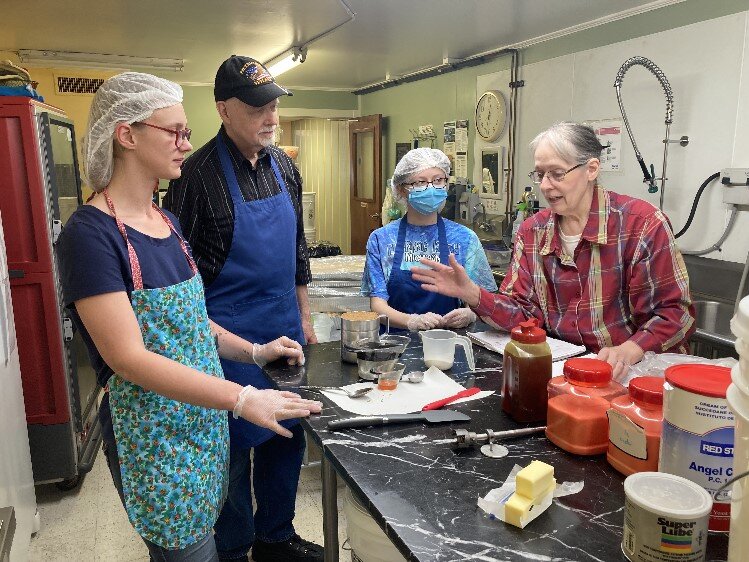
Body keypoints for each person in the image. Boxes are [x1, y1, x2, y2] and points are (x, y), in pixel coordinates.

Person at [58, 72, 321, 561]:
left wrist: (254, 352)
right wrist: (242, 397)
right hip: (157, 439)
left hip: (201, 425)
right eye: (175, 132)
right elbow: (130, 359)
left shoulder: (166, 222)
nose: (185, 143)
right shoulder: (90, 236)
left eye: (186, 133)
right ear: (127, 135)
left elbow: (189, 322)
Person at [162, 56, 322, 562]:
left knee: (285, 440)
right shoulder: (195, 176)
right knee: (229, 452)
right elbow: (179, 273)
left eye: (273, 105)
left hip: (282, 330)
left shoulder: (286, 169)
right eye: (257, 108)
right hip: (222, 337)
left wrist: (304, 315)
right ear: (223, 109)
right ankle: (233, 548)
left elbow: (297, 251)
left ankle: (276, 538)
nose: (270, 117)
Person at [412, 122, 696, 380]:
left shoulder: (641, 225)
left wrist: (631, 349)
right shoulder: (532, 232)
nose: (546, 186)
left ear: (592, 170)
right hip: (559, 374)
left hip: (626, 377)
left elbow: (675, 314)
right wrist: (472, 294)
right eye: (540, 175)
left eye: (557, 174)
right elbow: (522, 313)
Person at [362, 147, 497, 332]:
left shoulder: (465, 239)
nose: (431, 188)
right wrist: (411, 321)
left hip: (450, 344)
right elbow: (377, 306)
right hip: (396, 346)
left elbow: (484, 298)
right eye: (420, 182)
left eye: (437, 180)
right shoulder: (381, 239)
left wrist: (471, 313)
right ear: (401, 189)